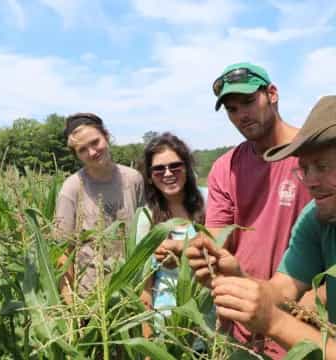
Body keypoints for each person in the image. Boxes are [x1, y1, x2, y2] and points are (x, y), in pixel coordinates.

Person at [187, 95, 336, 357]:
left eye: (322, 166)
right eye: (304, 168)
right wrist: (238, 278)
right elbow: (283, 290)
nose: (310, 181)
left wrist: (274, 322)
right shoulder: (316, 217)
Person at [204, 62, 312, 357]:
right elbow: (216, 238)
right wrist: (193, 251)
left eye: (249, 101)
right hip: (243, 325)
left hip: (305, 324)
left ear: (272, 94)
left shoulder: (312, 154)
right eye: (232, 109)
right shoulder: (225, 168)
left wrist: (313, 305)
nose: (242, 115)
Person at [55, 112, 144, 302]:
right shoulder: (71, 188)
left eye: (95, 142)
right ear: (76, 155)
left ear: (107, 136)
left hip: (131, 292)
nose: (92, 152)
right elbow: (63, 252)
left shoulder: (133, 179)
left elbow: (146, 233)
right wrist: (70, 303)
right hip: (90, 297)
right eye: (82, 150)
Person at [136, 133, 204, 335]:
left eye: (175, 166)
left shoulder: (209, 201)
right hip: (167, 330)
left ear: (187, 167)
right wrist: (148, 346)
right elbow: (145, 289)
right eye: (158, 169)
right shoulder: (146, 218)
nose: (168, 174)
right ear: (149, 176)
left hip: (208, 326)